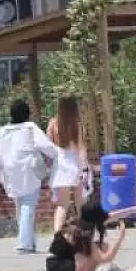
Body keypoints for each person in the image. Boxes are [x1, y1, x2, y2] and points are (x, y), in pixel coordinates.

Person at [0, 99, 60, 254]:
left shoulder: (3, 131)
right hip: (28, 172)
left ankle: (30, 241)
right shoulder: (30, 128)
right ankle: (24, 243)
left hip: (10, 174)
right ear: (27, 114)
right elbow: (46, 146)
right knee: (28, 206)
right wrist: (58, 154)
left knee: (21, 206)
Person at [45, 198, 130, 271]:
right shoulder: (83, 234)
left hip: (53, 268)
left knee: (100, 247)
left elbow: (107, 217)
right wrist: (120, 238)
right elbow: (105, 258)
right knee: (100, 249)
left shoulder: (76, 225)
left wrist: (127, 212)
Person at [46, 96, 87, 233]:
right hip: (74, 163)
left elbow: (49, 147)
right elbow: (81, 148)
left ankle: (57, 234)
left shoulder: (52, 123)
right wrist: (85, 168)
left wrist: (48, 165)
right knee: (80, 202)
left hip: (60, 165)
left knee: (62, 204)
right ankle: (85, 232)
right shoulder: (77, 124)